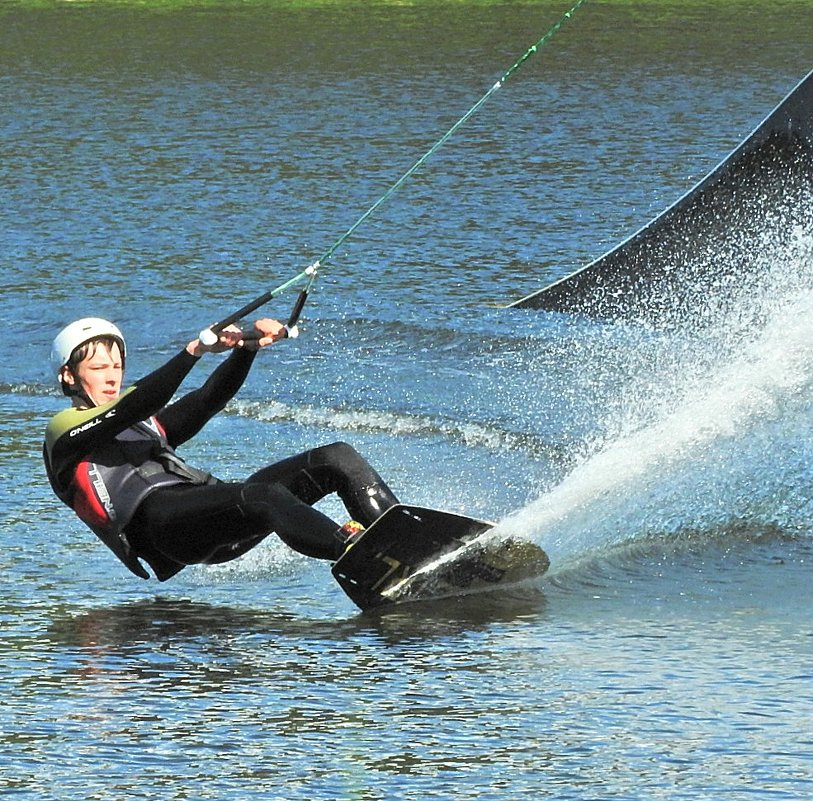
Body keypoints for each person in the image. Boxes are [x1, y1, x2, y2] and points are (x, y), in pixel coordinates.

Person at [43, 317, 400, 581]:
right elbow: (136, 403)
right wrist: (194, 351)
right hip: (163, 529)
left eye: (117, 366)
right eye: (99, 367)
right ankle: (369, 562)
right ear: (69, 376)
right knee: (265, 496)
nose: (111, 376)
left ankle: (407, 538)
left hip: (207, 518)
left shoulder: (147, 426)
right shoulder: (63, 432)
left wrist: (246, 349)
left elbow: (206, 400)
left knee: (334, 458)